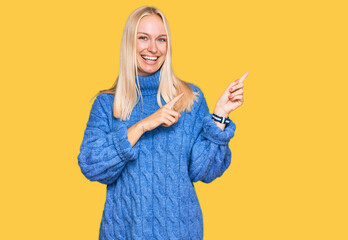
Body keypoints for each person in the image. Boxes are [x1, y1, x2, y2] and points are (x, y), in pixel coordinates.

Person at [77, 6, 248, 240]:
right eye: (143, 38)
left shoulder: (189, 98)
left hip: (182, 233)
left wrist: (220, 115)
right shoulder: (107, 104)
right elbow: (92, 165)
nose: (153, 48)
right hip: (124, 233)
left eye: (161, 39)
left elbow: (204, 171)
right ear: (129, 43)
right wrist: (142, 126)